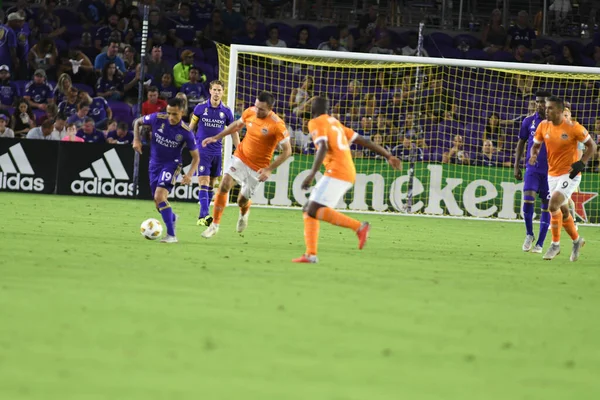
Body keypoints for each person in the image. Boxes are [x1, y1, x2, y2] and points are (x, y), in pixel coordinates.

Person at [292, 97, 402, 263]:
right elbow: (363, 140)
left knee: (311, 209)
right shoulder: (335, 123)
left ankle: (359, 226)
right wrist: (388, 155)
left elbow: (323, 147)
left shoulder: (315, 122)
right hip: (346, 171)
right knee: (309, 209)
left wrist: (312, 173)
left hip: (337, 171)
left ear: (313, 109)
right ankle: (311, 255)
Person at [200, 91, 292, 238]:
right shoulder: (250, 112)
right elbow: (236, 125)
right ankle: (214, 225)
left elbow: (287, 151)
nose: (257, 110)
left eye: (261, 109)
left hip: (259, 167)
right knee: (224, 185)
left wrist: (269, 169)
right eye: (256, 106)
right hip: (241, 157)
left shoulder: (277, 125)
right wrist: (216, 137)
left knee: (241, 201)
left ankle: (244, 213)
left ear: (270, 108)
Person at [529, 96, 597, 261]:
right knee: (564, 211)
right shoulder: (543, 126)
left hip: (571, 173)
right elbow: (535, 145)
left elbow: (592, 146)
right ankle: (576, 240)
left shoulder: (574, 127)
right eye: (546, 107)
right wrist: (533, 155)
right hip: (552, 174)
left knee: (553, 205)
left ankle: (555, 244)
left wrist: (582, 163)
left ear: (560, 111)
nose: (546, 110)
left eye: (550, 108)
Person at [132, 97, 200, 243]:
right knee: (158, 202)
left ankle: (171, 235)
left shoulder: (186, 132)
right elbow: (137, 122)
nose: (170, 117)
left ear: (182, 113)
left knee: (160, 196)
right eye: (169, 113)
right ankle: (173, 218)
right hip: (154, 164)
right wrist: (136, 139)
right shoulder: (158, 118)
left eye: (174, 114)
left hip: (172, 164)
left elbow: (196, 157)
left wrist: (189, 174)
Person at [188, 80, 235, 226]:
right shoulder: (200, 108)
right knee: (203, 181)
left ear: (223, 92)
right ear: (210, 91)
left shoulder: (226, 111)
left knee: (212, 184)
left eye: (219, 90)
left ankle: (204, 215)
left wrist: (239, 149)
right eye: (214, 90)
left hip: (217, 152)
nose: (216, 93)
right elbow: (191, 128)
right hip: (202, 151)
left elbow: (234, 130)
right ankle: (203, 216)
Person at [514, 90, 551, 253]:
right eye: (537, 102)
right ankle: (529, 234)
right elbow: (521, 143)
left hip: (551, 172)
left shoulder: (556, 123)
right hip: (532, 169)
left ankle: (540, 243)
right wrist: (516, 165)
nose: (540, 105)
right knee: (528, 200)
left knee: (547, 206)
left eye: (543, 102)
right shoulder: (528, 121)